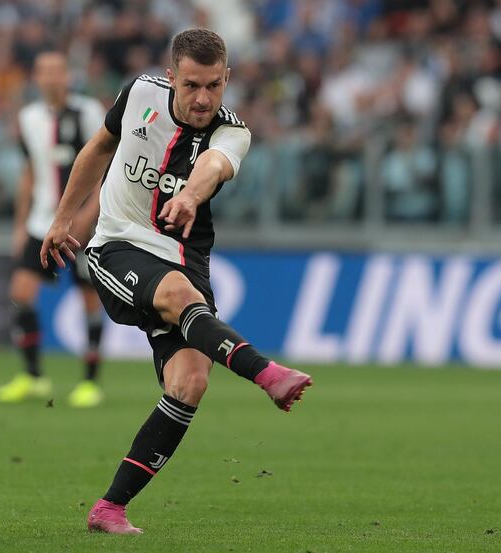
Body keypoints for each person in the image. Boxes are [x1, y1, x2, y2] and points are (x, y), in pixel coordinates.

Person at [40, 29, 313, 534]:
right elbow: (99, 148)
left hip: (184, 261)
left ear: (227, 78)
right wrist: (61, 219)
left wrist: (189, 195)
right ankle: (267, 374)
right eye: (191, 85)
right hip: (117, 245)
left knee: (189, 383)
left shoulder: (234, 133)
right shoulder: (138, 92)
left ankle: (110, 508)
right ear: (171, 77)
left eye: (214, 85)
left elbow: (213, 165)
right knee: (180, 297)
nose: (203, 98)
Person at [0, 51, 107, 408]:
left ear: (67, 76)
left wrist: (88, 216)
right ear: (36, 77)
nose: (51, 77)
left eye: (57, 71)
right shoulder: (29, 118)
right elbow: (30, 172)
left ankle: (90, 382)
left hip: (83, 225)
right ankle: (33, 376)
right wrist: (20, 223)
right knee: (21, 293)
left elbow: (104, 168)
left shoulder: (87, 112)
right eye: (44, 71)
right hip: (42, 222)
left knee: (88, 298)